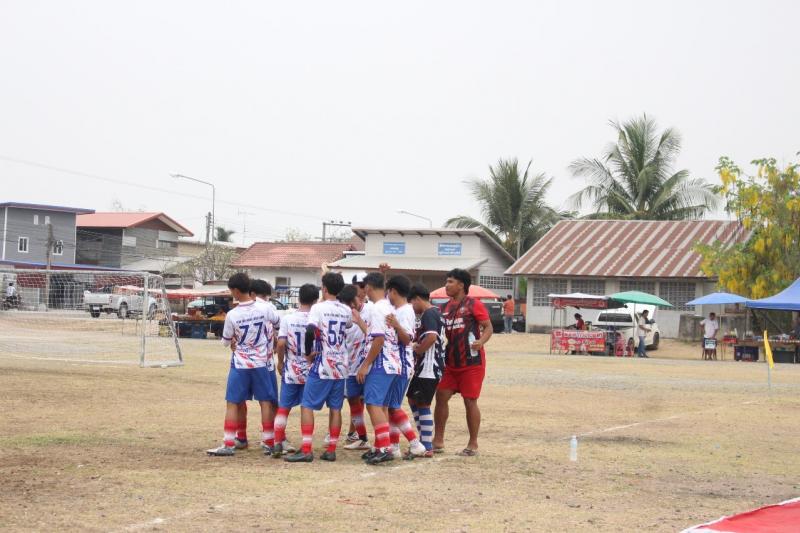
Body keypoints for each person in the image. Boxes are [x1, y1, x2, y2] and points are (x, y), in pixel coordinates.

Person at [206, 272, 280, 457]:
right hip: (261, 363)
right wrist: (270, 339)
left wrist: (233, 341)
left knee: (233, 402)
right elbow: (278, 323)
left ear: (236, 291)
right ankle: (269, 442)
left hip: (240, 364)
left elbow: (225, 341)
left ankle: (229, 443)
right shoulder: (264, 309)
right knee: (265, 402)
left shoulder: (233, 314)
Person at [285, 272, 352, 463]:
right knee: (336, 408)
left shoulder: (318, 308)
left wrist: (308, 352)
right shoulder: (346, 310)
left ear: (324, 288)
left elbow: (309, 330)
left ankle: (306, 449)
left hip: (323, 363)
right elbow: (347, 326)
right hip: (341, 364)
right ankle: (331, 449)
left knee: (307, 405)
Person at [433, 268, 493, 457]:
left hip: (471, 363)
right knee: (441, 396)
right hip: (450, 363)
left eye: (450, 282)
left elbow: (488, 327)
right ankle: (438, 440)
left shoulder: (474, 304)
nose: (446, 285)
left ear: (461, 285)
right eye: (447, 281)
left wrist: (481, 341)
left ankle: (473, 444)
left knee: (470, 401)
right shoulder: (443, 308)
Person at [355, 272, 400, 465]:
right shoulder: (388, 306)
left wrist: (365, 365)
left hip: (381, 363)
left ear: (368, 287)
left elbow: (379, 339)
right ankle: (381, 445)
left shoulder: (376, 308)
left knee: (373, 404)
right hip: (392, 362)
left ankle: (384, 448)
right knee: (380, 406)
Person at [232, 279, 281, 452]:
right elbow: (279, 329)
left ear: (251, 293)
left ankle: (241, 437)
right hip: (265, 363)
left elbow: (230, 336)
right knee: (268, 401)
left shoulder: (239, 309)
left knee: (238, 400)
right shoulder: (270, 308)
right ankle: (271, 438)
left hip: (243, 361)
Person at [271, 283, 318, 458]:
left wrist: (280, 362)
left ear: (299, 298)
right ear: (315, 300)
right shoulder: (316, 319)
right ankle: (306, 444)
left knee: (284, 407)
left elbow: (281, 343)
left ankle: (277, 442)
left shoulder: (288, 319)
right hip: (310, 369)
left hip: (292, 368)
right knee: (307, 408)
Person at [384, 275, 427, 460]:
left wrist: (396, 326)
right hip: (398, 363)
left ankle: (415, 443)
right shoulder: (400, 309)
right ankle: (394, 446)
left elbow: (407, 339)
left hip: (402, 364)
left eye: (388, 292)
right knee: (391, 406)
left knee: (393, 406)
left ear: (393, 291)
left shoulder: (405, 312)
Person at [406, 283, 445, 457]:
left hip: (429, 367)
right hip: (425, 367)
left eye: (412, 303)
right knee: (413, 399)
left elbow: (431, 337)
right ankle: (423, 440)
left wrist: (418, 350)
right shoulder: (436, 312)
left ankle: (427, 445)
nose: (412, 308)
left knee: (422, 403)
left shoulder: (429, 313)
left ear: (417, 299)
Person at [343, 272, 371, 449]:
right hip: (350, 366)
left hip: (370, 365)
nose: (362, 290)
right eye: (359, 286)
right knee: (353, 400)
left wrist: (359, 320)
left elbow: (375, 336)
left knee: (375, 404)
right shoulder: (344, 311)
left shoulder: (372, 309)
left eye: (364, 286)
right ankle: (361, 437)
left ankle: (387, 442)